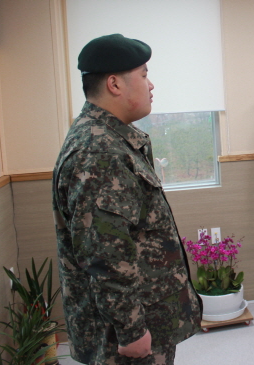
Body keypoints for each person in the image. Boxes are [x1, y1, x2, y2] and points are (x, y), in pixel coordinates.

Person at [52, 34, 202, 365]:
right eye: (144, 75)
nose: (151, 85)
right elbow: (104, 254)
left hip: (141, 317)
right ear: (115, 84)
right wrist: (130, 330)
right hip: (123, 337)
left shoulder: (108, 138)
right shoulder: (98, 151)